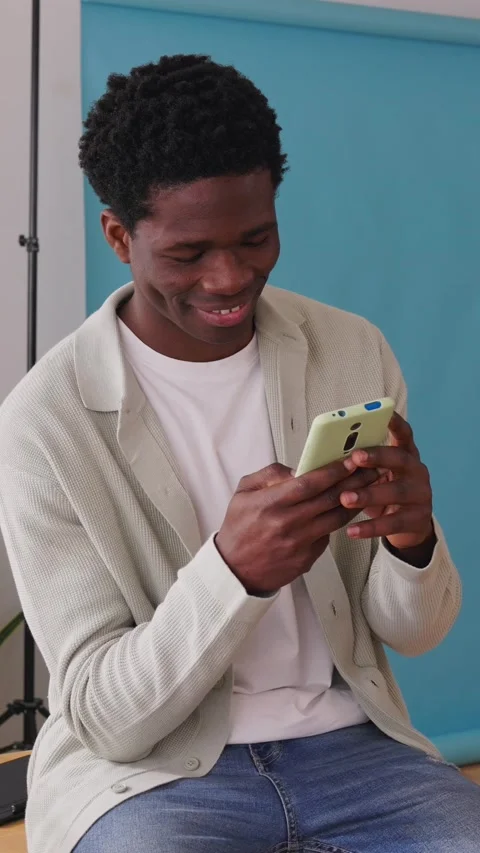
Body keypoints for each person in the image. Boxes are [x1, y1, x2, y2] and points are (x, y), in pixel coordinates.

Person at [0, 54, 478, 853]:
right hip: (152, 778)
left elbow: (418, 631)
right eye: (188, 254)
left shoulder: (350, 351)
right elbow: (107, 717)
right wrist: (233, 571)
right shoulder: (47, 423)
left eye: (256, 238)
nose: (229, 277)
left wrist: (413, 541)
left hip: (356, 755)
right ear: (118, 234)